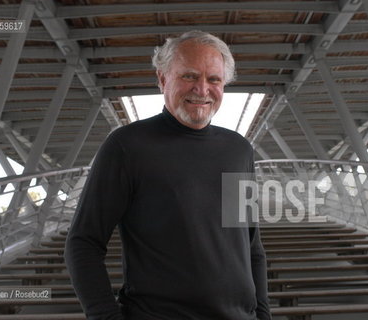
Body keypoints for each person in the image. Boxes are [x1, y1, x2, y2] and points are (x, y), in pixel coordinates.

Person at [65, 30, 271, 320]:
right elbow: (83, 243)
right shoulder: (127, 146)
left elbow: (251, 246)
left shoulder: (238, 150)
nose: (202, 89)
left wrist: (263, 315)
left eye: (214, 79)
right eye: (189, 76)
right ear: (162, 79)